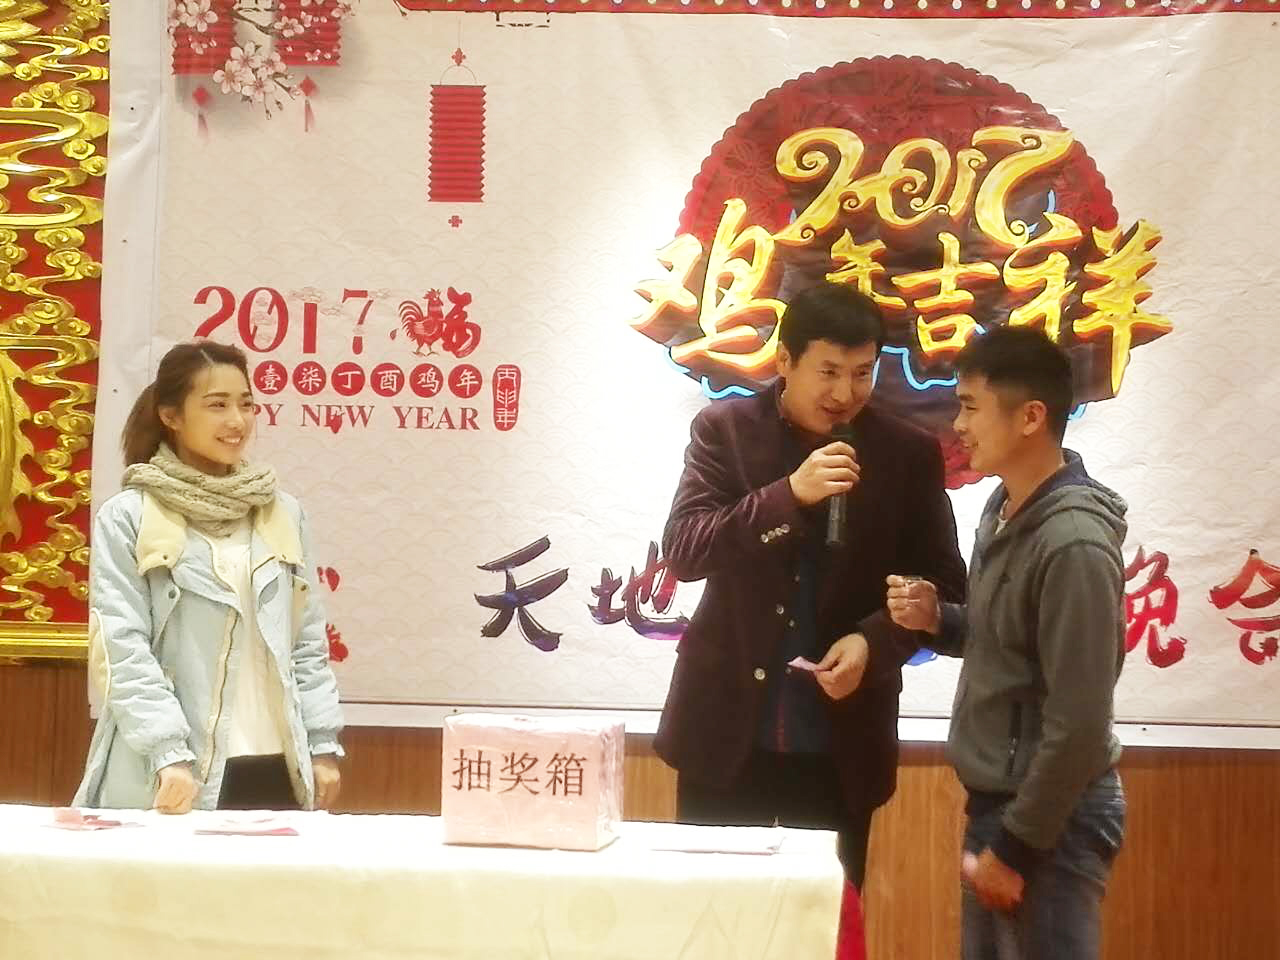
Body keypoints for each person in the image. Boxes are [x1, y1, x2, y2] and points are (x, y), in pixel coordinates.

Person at [654, 282, 967, 889]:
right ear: (785, 362)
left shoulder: (906, 453)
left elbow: (944, 586)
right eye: (828, 372)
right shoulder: (726, 431)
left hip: (841, 742)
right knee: (716, 919)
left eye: (862, 373)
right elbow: (686, 550)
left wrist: (874, 642)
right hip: (726, 736)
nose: (845, 394)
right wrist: (788, 496)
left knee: (825, 921)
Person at [887, 325, 1127, 958]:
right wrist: (940, 620)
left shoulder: (1073, 542)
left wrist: (1017, 847)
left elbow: (1079, 724)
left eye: (971, 406)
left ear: (1030, 417)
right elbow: (1008, 644)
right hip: (1002, 805)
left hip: (1052, 818)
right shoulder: (1004, 508)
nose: (958, 425)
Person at [74, 341, 344, 813]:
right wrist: (168, 752)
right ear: (171, 416)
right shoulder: (129, 516)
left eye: (246, 404)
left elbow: (305, 641)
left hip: (278, 765)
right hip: (175, 773)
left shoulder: (283, 512)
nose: (237, 421)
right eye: (217, 405)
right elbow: (122, 646)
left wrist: (321, 744)